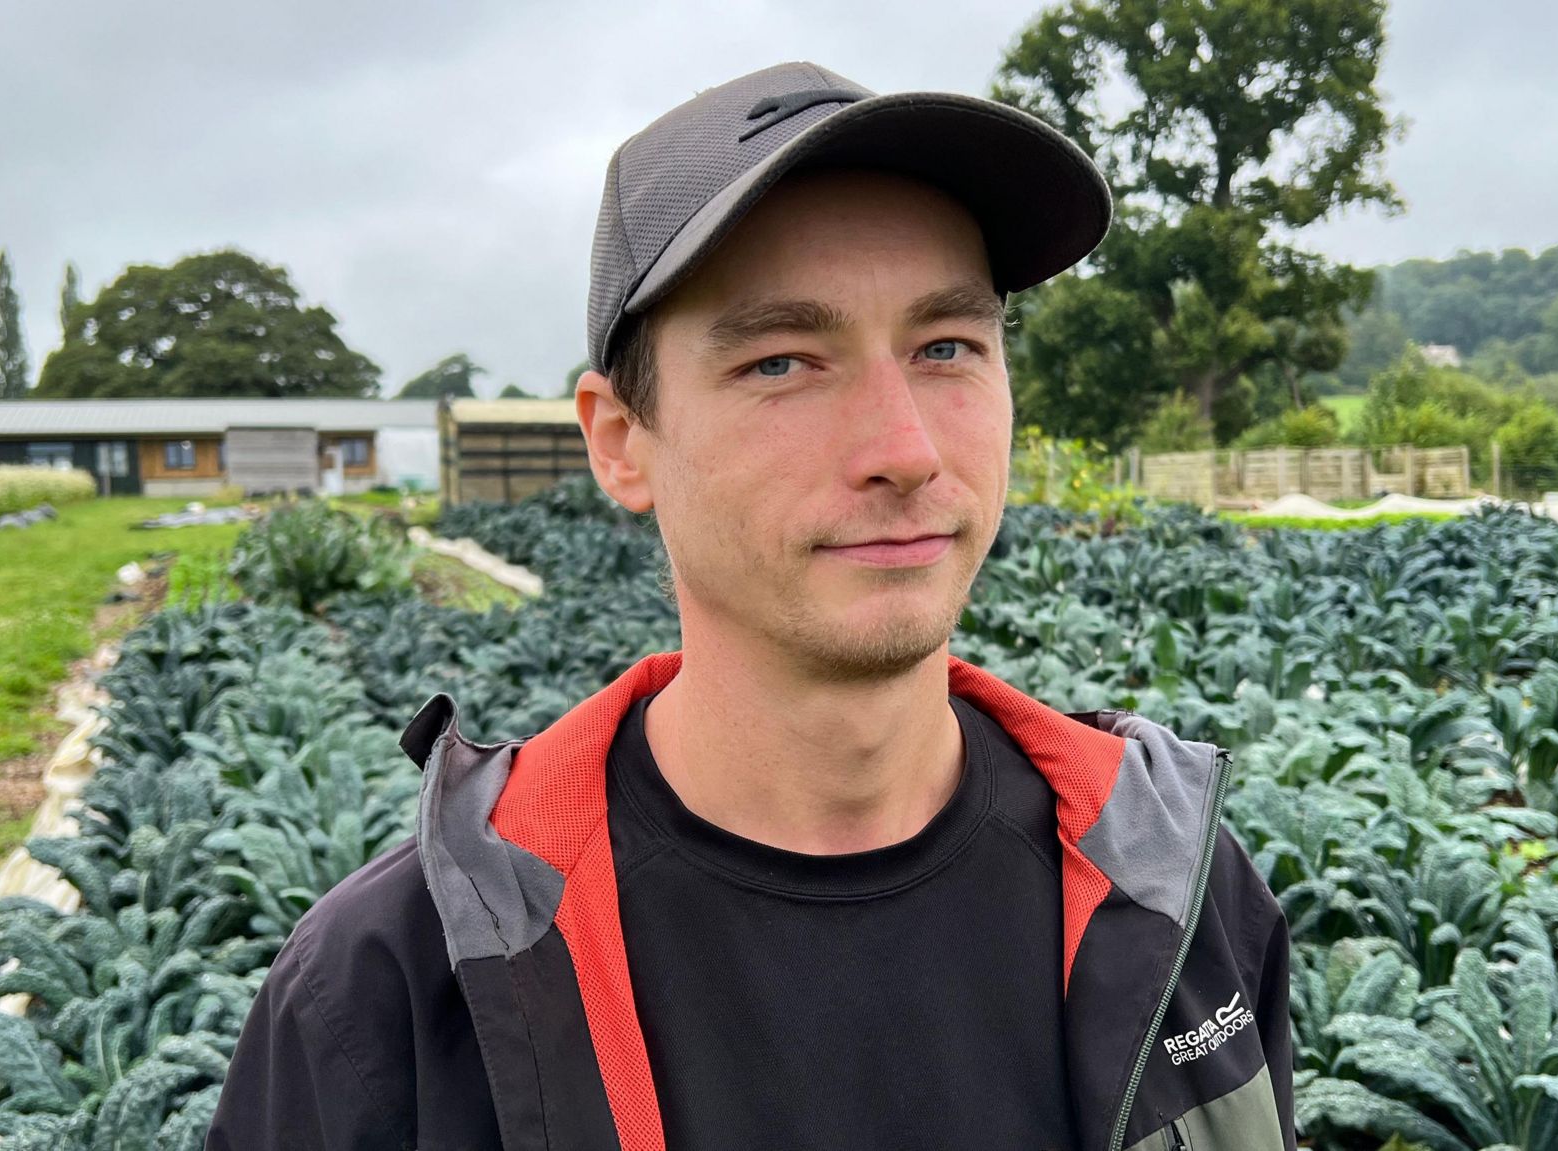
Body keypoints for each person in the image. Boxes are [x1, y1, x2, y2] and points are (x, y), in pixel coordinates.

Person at [206, 60, 1294, 1151]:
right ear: (619, 440)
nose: (904, 452)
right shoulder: (387, 991)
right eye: (782, 362)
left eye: (947, 347)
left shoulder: (1177, 889)